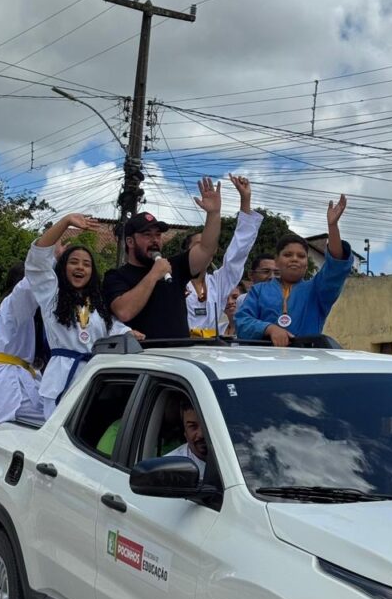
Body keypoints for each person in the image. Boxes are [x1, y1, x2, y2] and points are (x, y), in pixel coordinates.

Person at [25, 214, 134, 418]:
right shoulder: (52, 296)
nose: (80, 268)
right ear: (63, 266)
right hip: (61, 381)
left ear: (92, 272)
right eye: (73, 262)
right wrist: (65, 222)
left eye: (86, 264)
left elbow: (112, 329)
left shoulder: (96, 305)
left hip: (91, 380)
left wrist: (129, 333)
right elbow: (37, 260)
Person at [103, 176, 222, 339]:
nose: (154, 240)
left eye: (158, 235)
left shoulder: (175, 265)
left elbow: (206, 249)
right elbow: (124, 311)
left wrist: (213, 214)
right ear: (130, 241)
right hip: (142, 359)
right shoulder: (115, 277)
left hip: (179, 357)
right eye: (147, 235)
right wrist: (153, 275)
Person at [235, 194, 353, 346]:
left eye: (301, 256)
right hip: (264, 363)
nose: (295, 259)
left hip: (306, 362)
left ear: (306, 263)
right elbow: (242, 322)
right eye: (288, 255)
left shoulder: (317, 290)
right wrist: (269, 328)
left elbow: (335, 268)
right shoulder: (259, 291)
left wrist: (333, 227)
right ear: (277, 261)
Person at [185, 174, 263, 337]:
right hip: (177, 350)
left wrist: (245, 200)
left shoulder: (217, 283)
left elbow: (238, 252)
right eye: (198, 246)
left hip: (210, 351)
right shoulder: (170, 281)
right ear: (186, 252)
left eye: (208, 246)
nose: (205, 250)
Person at [0, 263, 46, 428]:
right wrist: (48, 259)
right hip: (10, 386)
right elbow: (28, 287)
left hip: (0, 383)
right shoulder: (14, 304)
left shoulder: (0, 310)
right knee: (56, 422)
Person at [165, 400, 208, 479]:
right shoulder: (169, 468)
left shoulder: (237, 458)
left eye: (206, 426)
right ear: (184, 431)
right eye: (193, 426)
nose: (201, 434)